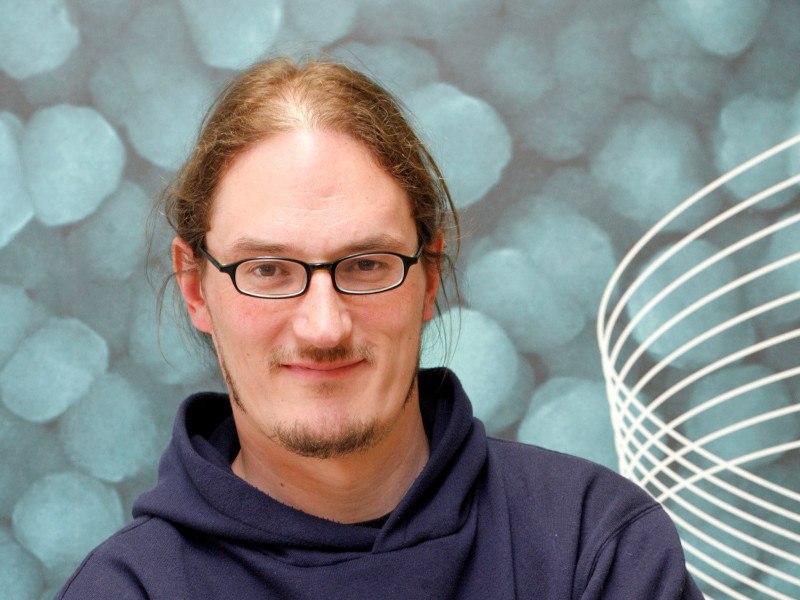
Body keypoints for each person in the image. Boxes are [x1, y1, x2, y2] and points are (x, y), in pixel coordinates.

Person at [56, 56, 703, 599]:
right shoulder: (126, 589)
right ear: (197, 287)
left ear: (428, 273)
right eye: (269, 269)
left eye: (366, 264)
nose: (323, 326)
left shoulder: (594, 548)